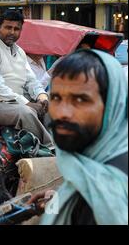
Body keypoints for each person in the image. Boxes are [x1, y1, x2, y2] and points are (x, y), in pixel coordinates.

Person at [29, 50, 127, 225]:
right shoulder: (97, 165)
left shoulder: (107, 197)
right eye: (56, 97)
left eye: (81, 100)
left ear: (112, 106)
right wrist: (62, 198)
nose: (62, 113)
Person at [0, 10, 52, 144]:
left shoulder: (19, 51)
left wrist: (41, 96)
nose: (12, 32)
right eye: (8, 27)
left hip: (14, 101)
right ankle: (50, 149)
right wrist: (27, 103)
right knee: (26, 113)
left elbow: (31, 80)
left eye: (16, 29)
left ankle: (62, 146)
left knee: (50, 107)